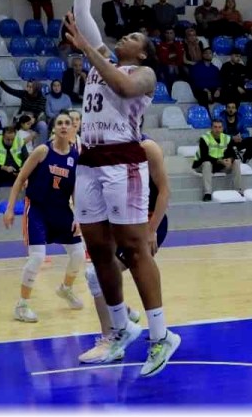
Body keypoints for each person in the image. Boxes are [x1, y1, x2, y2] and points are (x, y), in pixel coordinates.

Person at [63, 0, 180, 376]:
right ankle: (119, 330)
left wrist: (88, 51)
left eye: (133, 37)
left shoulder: (144, 74)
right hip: (89, 162)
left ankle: (161, 335)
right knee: (98, 249)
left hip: (123, 163)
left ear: (142, 52)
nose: (124, 37)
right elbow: (82, 12)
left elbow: (123, 86)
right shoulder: (103, 59)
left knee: (133, 247)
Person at [78, 137, 170, 363]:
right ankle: (124, 319)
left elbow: (164, 191)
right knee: (95, 274)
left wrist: (152, 230)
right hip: (120, 223)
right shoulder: (105, 149)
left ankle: (114, 338)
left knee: (94, 275)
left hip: (146, 223)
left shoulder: (147, 147)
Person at [2, 113, 88, 323]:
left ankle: (66, 288)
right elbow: (20, 179)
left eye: (68, 123)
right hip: (37, 209)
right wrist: (10, 208)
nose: (64, 126)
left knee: (78, 254)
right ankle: (22, 305)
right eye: (60, 123)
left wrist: (78, 215)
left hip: (62, 210)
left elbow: (75, 188)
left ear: (73, 128)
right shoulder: (42, 151)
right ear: (53, 128)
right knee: (38, 257)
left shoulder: (75, 156)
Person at [193, 120, 243, 202]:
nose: (217, 129)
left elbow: (233, 154)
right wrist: (219, 161)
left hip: (219, 165)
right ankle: (207, 193)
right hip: (202, 165)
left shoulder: (227, 138)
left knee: (236, 162)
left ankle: (239, 191)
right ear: (211, 128)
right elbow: (204, 157)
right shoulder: (204, 138)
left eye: (219, 127)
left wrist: (230, 159)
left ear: (222, 128)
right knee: (207, 163)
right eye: (215, 127)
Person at [0, 127, 27, 207]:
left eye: (12, 139)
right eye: (8, 139)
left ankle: (28, 204)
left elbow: (26, 159)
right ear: (3, 136)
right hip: (0, 170)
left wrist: (22, 170)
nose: (10, 142)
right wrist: (5, 168)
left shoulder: (20, 142)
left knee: (33, 174)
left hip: (17, 171)